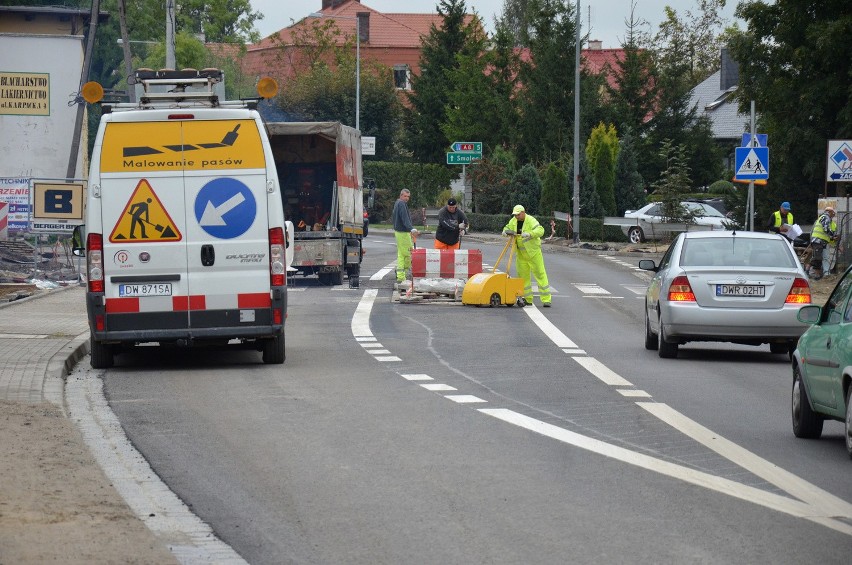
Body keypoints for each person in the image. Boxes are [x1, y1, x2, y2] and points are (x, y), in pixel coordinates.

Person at [502, 204, 552, 307]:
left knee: (540, 275)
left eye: (518, 215)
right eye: (515, 215)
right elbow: (507, 227)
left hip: (533, 253)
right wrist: (505, 231)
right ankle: (528, 299)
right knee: (523, 277)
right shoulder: (514, 221)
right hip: (521, 254)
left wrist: (530, 233)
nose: (516, 217)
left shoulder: (530, 220)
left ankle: (546, 299)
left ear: (523, 212)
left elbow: (541, 230)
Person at [392, 188, 419, 283]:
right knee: (407, 254)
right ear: (401, 195)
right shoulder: (401, 204)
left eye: (408, 196)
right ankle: (402, 275)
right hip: (403, 233)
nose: (407, 198)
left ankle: (400, 275)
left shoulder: (398, 203)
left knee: (401, 254)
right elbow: (405, 218)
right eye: (405, 196)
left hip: (399, 232)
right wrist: (411, 228)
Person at [807, 206, 837, 280]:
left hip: (821, 241)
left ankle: (819, 275)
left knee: (820, 258)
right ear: (829, 212)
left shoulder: (824, 218)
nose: (833, 214)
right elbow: (826, 229)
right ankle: (808, 269)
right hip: (818, 241)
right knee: (817, 257)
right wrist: (833, 236)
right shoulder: (825, 217)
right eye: (832, 212)